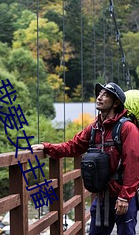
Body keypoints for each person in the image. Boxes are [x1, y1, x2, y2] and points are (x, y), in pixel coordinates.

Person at [31, 82, 139, 235]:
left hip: (122, 197)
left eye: (105, 95)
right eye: (99, 94)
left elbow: (133, 164)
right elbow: (73, 146)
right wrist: (47, 147)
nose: (99, 97)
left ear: (115, 103)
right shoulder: (94, 128)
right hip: (102, 196)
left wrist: (125, 197)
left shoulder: (128, 129)